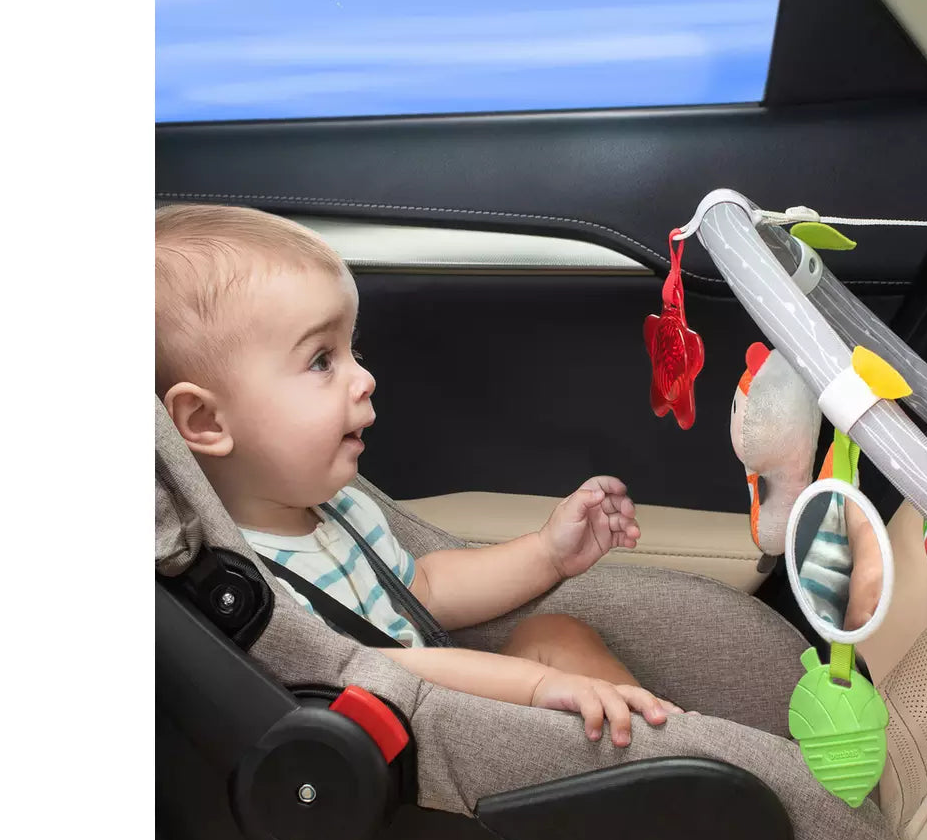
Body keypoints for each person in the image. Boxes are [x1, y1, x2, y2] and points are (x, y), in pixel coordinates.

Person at [156, 203, 682, 747]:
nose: (364, 377)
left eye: (352, 349)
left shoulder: (339, 509)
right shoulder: (247, 588)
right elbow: (367, 667)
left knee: (555, 632)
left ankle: (675, 747)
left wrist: (547, 552)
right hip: (414, 757)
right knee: (550, 663)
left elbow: (421, 590)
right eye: (320, 360)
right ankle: (672, 773)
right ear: (206, 421)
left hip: (448, 708)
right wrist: (537, 685)